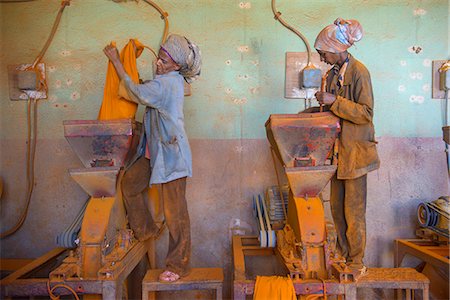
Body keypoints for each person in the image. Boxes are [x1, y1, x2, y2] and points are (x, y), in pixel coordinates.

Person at [103, 34, 201, 282]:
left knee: (175, 214)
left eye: (164, 60)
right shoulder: (164, 81)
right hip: (153, 151)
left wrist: (116, 61)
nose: (158, 62)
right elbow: (145, 90)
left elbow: (133, 92)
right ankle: (146, 231)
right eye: (159, 56)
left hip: (171, 155)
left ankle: (179, 265)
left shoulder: (167, 84)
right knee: (130, 185)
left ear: (176, 66)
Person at [314, 18, 380, 277]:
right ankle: (341, 256)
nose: (322, 58)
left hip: (355, 154)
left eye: (323, 53)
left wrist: (334, 100)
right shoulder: (331, 74)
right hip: (337, 154)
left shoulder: (359, 72)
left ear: (336, 48)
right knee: (337, 210)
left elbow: (365, 113)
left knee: (353, 212)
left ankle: (356, 262)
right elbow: (333, 112)